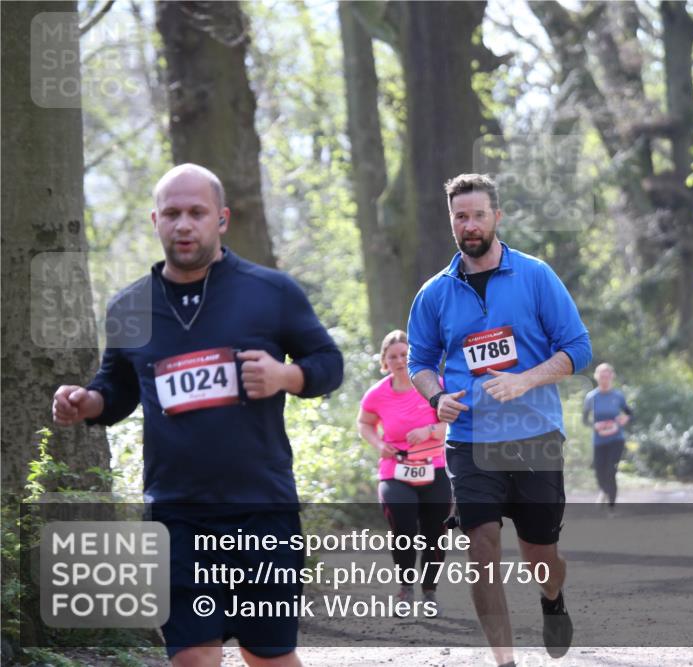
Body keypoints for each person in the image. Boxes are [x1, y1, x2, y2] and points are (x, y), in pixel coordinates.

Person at [51, 163, 343, 667]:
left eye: (196, 213)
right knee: (192, 657)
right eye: (172, 214)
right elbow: (116, 391)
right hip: (175, 513)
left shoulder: (271, 292)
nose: (184, 224)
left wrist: (286, 376)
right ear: (155, 221)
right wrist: (86, 403)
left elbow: (329, 365)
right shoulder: (130, 307)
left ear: (221, 219)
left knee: (267, 656)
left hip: (261, 509)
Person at [407, 173, 591, 666]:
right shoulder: (435, 293)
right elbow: (419, 361)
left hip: (535, 436)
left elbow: (579, 349)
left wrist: (525, 380)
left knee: (540, 556)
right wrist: (436, 396)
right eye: (460, 216)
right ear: (452, 221)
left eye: (478, 215)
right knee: (481, 545)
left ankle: (552, 599)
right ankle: (504, 661)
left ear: (497, 217)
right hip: (469, 439)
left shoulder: (535, 276)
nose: (470, 225)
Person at [357, 329, 450, 606]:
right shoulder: (377, 394)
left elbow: (454, 423)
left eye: (404, 355)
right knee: (403, 526)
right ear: (385, 361)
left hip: (434, 467)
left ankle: (430, 590)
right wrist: (377, 443)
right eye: (393, 356)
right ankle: (406, 587)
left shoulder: (434, 385)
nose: (399, 360)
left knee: (436, 533)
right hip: (395, 469)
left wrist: (430, 430)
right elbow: (364, 423)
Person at [582, 363, 633, 511]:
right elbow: (585, 420)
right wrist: (595, 425)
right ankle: (604, 491)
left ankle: (611, 506)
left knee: (611, 471)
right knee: (599, 471)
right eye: (601, 376)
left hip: (616, 439)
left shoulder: (617, 395)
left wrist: (625, 419)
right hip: (599, 440)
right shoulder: (591, 397)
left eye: (607, 376)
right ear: (597, 377)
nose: (604, 379)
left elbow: (629, 413)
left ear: (612, 377)